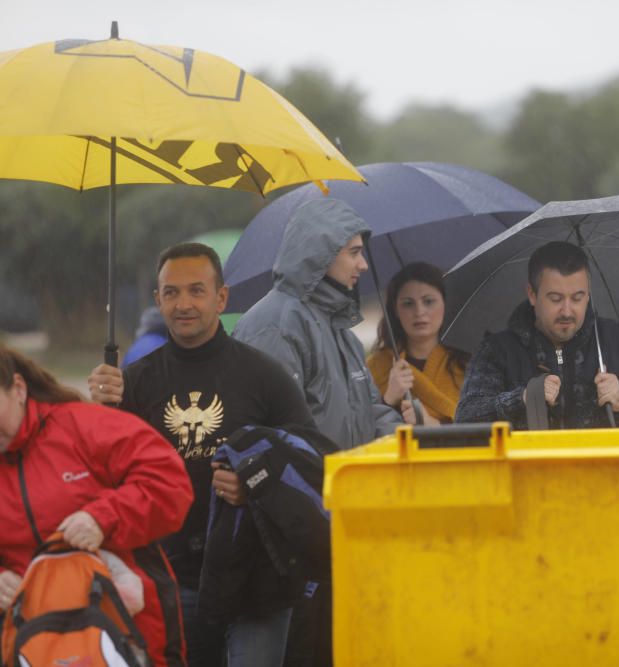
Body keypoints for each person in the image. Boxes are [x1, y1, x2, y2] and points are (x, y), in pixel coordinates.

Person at [87, 243, 315, 667]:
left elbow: (310, 466)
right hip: (170, 581)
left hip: (256, 585)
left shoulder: (267, 377)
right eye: (171, 293)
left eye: (196, 290)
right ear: (158, 301)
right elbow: (105, 477)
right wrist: (101, 416)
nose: (184, 303)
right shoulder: (131, 384)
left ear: (221, 297)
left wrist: (257, 486)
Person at [0, 344, 193, 667]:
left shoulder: (83, 425)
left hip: (127, 634)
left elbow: (169, 482)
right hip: (31, 642)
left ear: (18, 389)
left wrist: (102, 517)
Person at [455, 241, 619, 429]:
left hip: (604, 476)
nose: (567, 311)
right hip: (527, 478)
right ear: (532, 294)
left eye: (577, 298)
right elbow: (466, 415)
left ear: (588, 295)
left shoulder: (617, 339)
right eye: (555, 299)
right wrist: (522, 399)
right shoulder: (499, 350)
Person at [233, 197, 401, 449]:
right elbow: (274, 432)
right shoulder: (274, 327)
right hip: (306, 487)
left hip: (347, 484)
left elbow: (371, 411)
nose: (363, 264)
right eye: (354, 252)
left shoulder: (343, 332)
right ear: (321, 254)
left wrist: (404, 433)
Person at [366, 262, 470, 425]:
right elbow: (363, 432)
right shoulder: (375, 367)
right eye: (408, 303)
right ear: (395, 310)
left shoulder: (469, 363)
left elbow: (485, 426)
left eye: (428, 301)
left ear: (445, 304)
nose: (419, 312)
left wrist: (433, 425)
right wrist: (389, 399)